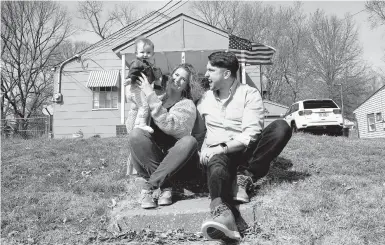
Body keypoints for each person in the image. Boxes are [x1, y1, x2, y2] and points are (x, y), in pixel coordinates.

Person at [193, 51, 292, 241]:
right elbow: (197, 133)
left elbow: (251, 134)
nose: (206, 74)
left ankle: (245, 178)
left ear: (226, 74)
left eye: (211, 70)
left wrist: (222, 146)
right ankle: (224, 215)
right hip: (217, 157)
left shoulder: (249, 94)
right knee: (217, 167)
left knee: (281, 127)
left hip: (245, 153)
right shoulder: (204, 99)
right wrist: (202, 150)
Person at [128, 63, 204, 209]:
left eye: (183, 79)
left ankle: (150, 186)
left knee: (189, 141)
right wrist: (135, 106)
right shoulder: (157, 99)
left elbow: (172, 127)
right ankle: (166, 186)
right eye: (176, 75)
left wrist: (150, 95)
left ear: (187, 85)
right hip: (152, 158)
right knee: (136, 134)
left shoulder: (187, 105)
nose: (177, 80)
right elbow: (132, 129)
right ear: (170, 76)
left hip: (176, 162)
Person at [125, 38, 162, 134]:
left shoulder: (148, 65)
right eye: (142, 52)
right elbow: (133, 71)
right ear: (136, 53)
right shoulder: (138, 62)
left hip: (139, 89)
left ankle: (133, 126)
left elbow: (152, 79)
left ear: (153, 54)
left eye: (148, 52)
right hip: (136, 88)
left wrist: (157, 76)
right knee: (144, 106)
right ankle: (140, 125)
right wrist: (130, 79)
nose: (145, 55)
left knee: (137, 107)